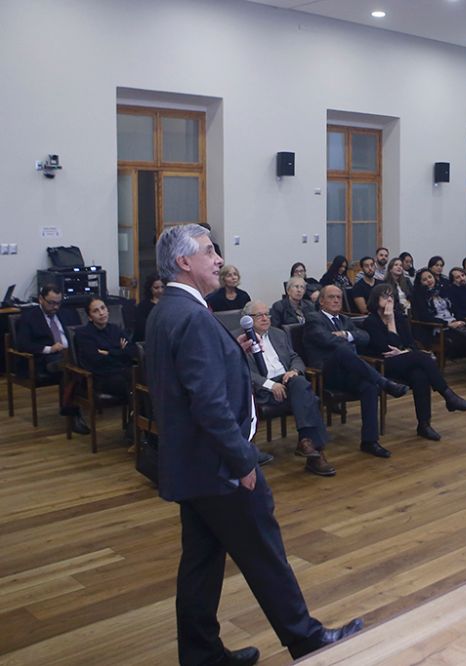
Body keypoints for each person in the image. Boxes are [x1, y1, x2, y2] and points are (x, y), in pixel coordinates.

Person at [145, 224, 362, 665]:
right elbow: (207, 404)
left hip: (192, 464)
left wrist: (230, 349)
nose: (219, 259)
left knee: (201, 565)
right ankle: (307, 639)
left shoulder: (169, 310)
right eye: (208, 251)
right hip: (219, 466)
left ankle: (202, 654)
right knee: (265, 551)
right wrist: (243, 461)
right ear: (184, 262)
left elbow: (194, 379)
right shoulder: (190, 315)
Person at [303, 284, 408, 458]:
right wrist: (347, 339)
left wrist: (345, 334)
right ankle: (385, 382)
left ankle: (369, 441)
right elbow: (326, 340)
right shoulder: (313, 318)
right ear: (321, 301)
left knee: (369, 386)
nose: (337, 300)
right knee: (342, 350)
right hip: (325, 374)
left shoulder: (345, 320)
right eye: (331, 297)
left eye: (339, 297)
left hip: (350, 371)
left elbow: (365, 337)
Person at [364, 284, 466, 441]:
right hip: (382, 365)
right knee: (423, 358)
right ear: (375, 300)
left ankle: (424, 425)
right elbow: (386, 349)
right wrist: (390, 322)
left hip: (404, 360)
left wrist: (404, 351)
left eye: (391, 295)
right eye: (384, 296)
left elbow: (410, 344)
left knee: (420, 375)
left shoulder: (400, 318)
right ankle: (449, 397)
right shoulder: (371, 321)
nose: (389, 299)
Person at [243, 301, 334, 477]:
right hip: (261, 391)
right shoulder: (240, 339)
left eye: (267, 314)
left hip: (288, 383)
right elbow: (243, 372)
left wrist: (294, 370)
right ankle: (315, 454)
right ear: (247, 319)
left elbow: (295, 357)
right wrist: (271, 385)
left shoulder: (278, 334)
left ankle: (308, 443)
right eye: (259, 315)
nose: (265, 318)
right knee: (310, 398)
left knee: (299, 382)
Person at [15, 284, 87, 433]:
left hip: (70, 354)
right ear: (41, 299)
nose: (55, 307)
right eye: (51, 302)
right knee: (70, 368)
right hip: (44, 359)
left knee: (74, 366)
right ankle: (74, 414)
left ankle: (71, 405)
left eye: (58, 303)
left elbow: (79, 334)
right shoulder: (29, 317)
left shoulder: (67, 313)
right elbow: (23, 344)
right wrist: (49, 349)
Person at [412, 268, 466, 363]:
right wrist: (448, 324)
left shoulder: (442, 290)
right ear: (420, 283)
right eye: (424, 280)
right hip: (437, 328)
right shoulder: (419, 296)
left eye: (430, 277)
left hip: (453, 323)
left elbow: (454, 308)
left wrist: (461, 320)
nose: (429, 280)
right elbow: (425, 317)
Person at [74, 297, 139, 401]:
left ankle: (139, 414)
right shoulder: (83, 334)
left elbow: (132, 351)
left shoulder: (115, 329)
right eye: (96, 311)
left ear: (107, 310)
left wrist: (109, 352)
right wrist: (120, 351)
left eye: (103, 308)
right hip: (101, 377)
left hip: (122, 371)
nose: (101, 313)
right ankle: (136, 414)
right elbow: (95, 360)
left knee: (144, 378)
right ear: (90, 317)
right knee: (131, 385)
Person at [133, 273, 164, 343]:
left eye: (162, 287)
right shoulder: (143, 306)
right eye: (156, 288)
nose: (160, 290)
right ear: (150, 288)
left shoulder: (169, 304)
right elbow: (141, 328)